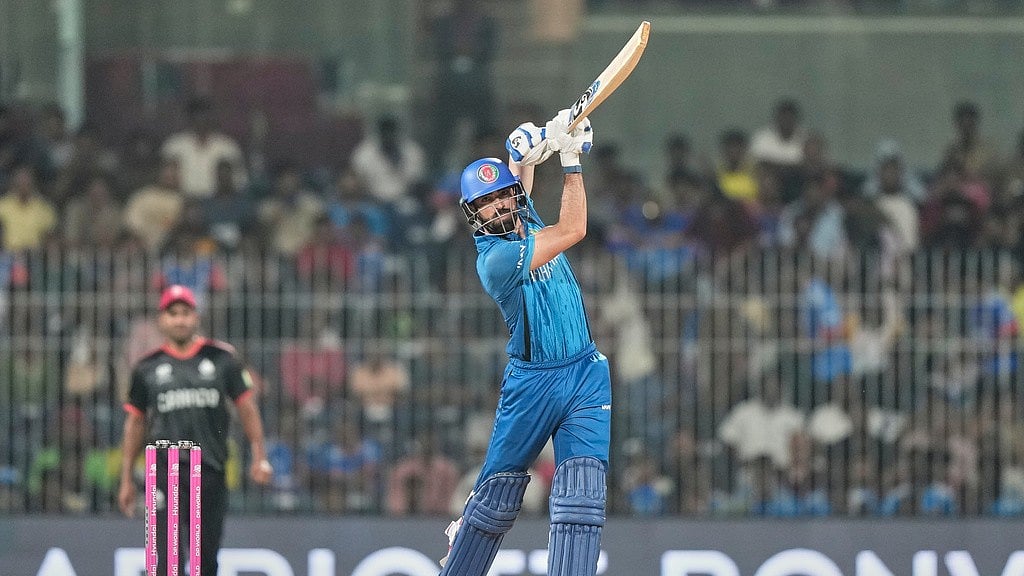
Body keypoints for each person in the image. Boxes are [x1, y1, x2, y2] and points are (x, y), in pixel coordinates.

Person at [439, 110, 610, 576]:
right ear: (473, 215)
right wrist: (571, 160)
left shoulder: (520, 213)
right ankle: (464, 546)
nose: (497, 208)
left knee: (582, 501)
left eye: (501, 197)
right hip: (533, 383)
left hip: (586, 373)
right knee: (496, 503)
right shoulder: (495, 259)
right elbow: (573, 230)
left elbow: (519, 181)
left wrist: (527, 150)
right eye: (486, 204)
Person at [117, 284, 273, 576]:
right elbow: (135, 422)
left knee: (204, 564)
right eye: (173, 313)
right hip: (163, 471)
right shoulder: (147, 368)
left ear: (196, 317)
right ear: (162, 320)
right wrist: (126, 477)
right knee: (164, 565)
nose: (180, 320)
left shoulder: (222, 358)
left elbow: (247, 407)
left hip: (209, 470)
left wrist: (259, 455)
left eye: (185, 313)